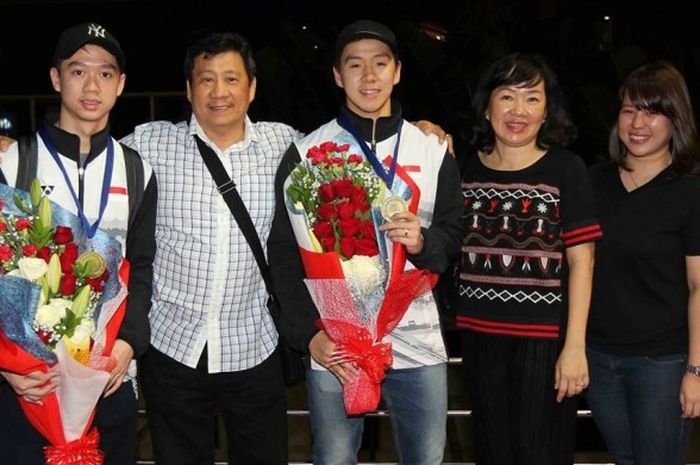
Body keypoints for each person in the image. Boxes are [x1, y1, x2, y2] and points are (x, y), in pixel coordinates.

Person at [118, 30, 451, 465]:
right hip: (173, 347)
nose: (220, 92)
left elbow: (355, 147)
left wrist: (423, 132)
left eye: (232, 79)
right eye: (207, 79)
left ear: (252, 88)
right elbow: (88, 165)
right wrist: (11, 152)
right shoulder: (148, 144)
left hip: (254, 348)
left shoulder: (288, 146)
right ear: (189, 89)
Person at [268, 19, 463, 464]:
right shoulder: (309, 153)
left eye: (380, 64)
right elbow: (284, 252)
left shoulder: (429, 149)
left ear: (397, 72)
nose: (368, 76)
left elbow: (454, 232)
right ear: (338, 76)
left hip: (417, 339)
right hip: (336, 342)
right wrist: (306, 335)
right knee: (334, 459)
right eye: (355, 65)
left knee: (426, 458)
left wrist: (424, 242)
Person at [0, 22, 156, 465]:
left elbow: (143, 265)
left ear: (121, 84)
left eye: (105, 73)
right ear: (55, 78)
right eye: (78, 71)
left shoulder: (136, 170)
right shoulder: (14, 162)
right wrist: (6, 368)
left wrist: (128, 343)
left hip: (108, 378)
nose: (92, 85)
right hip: (30, 386)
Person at [454, 53, 602, 464]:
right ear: (487, 106)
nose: (518, 110)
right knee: (491, 450)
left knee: (540, 452)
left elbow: (583, 263)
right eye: (507, 96)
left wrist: (575, 346)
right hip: (478, 335)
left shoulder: (565, 169)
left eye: (532, 99)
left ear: (546, 111)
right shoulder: (464, 169)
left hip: (543, 341)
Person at [586, 61, 700, 465]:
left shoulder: (689, 191)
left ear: (676, 119)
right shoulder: (594, 181)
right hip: (597, 358)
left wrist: (696, 371)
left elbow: (698, 287)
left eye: (653, 111)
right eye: (629, 109)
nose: (638, 122)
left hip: (661, 363)